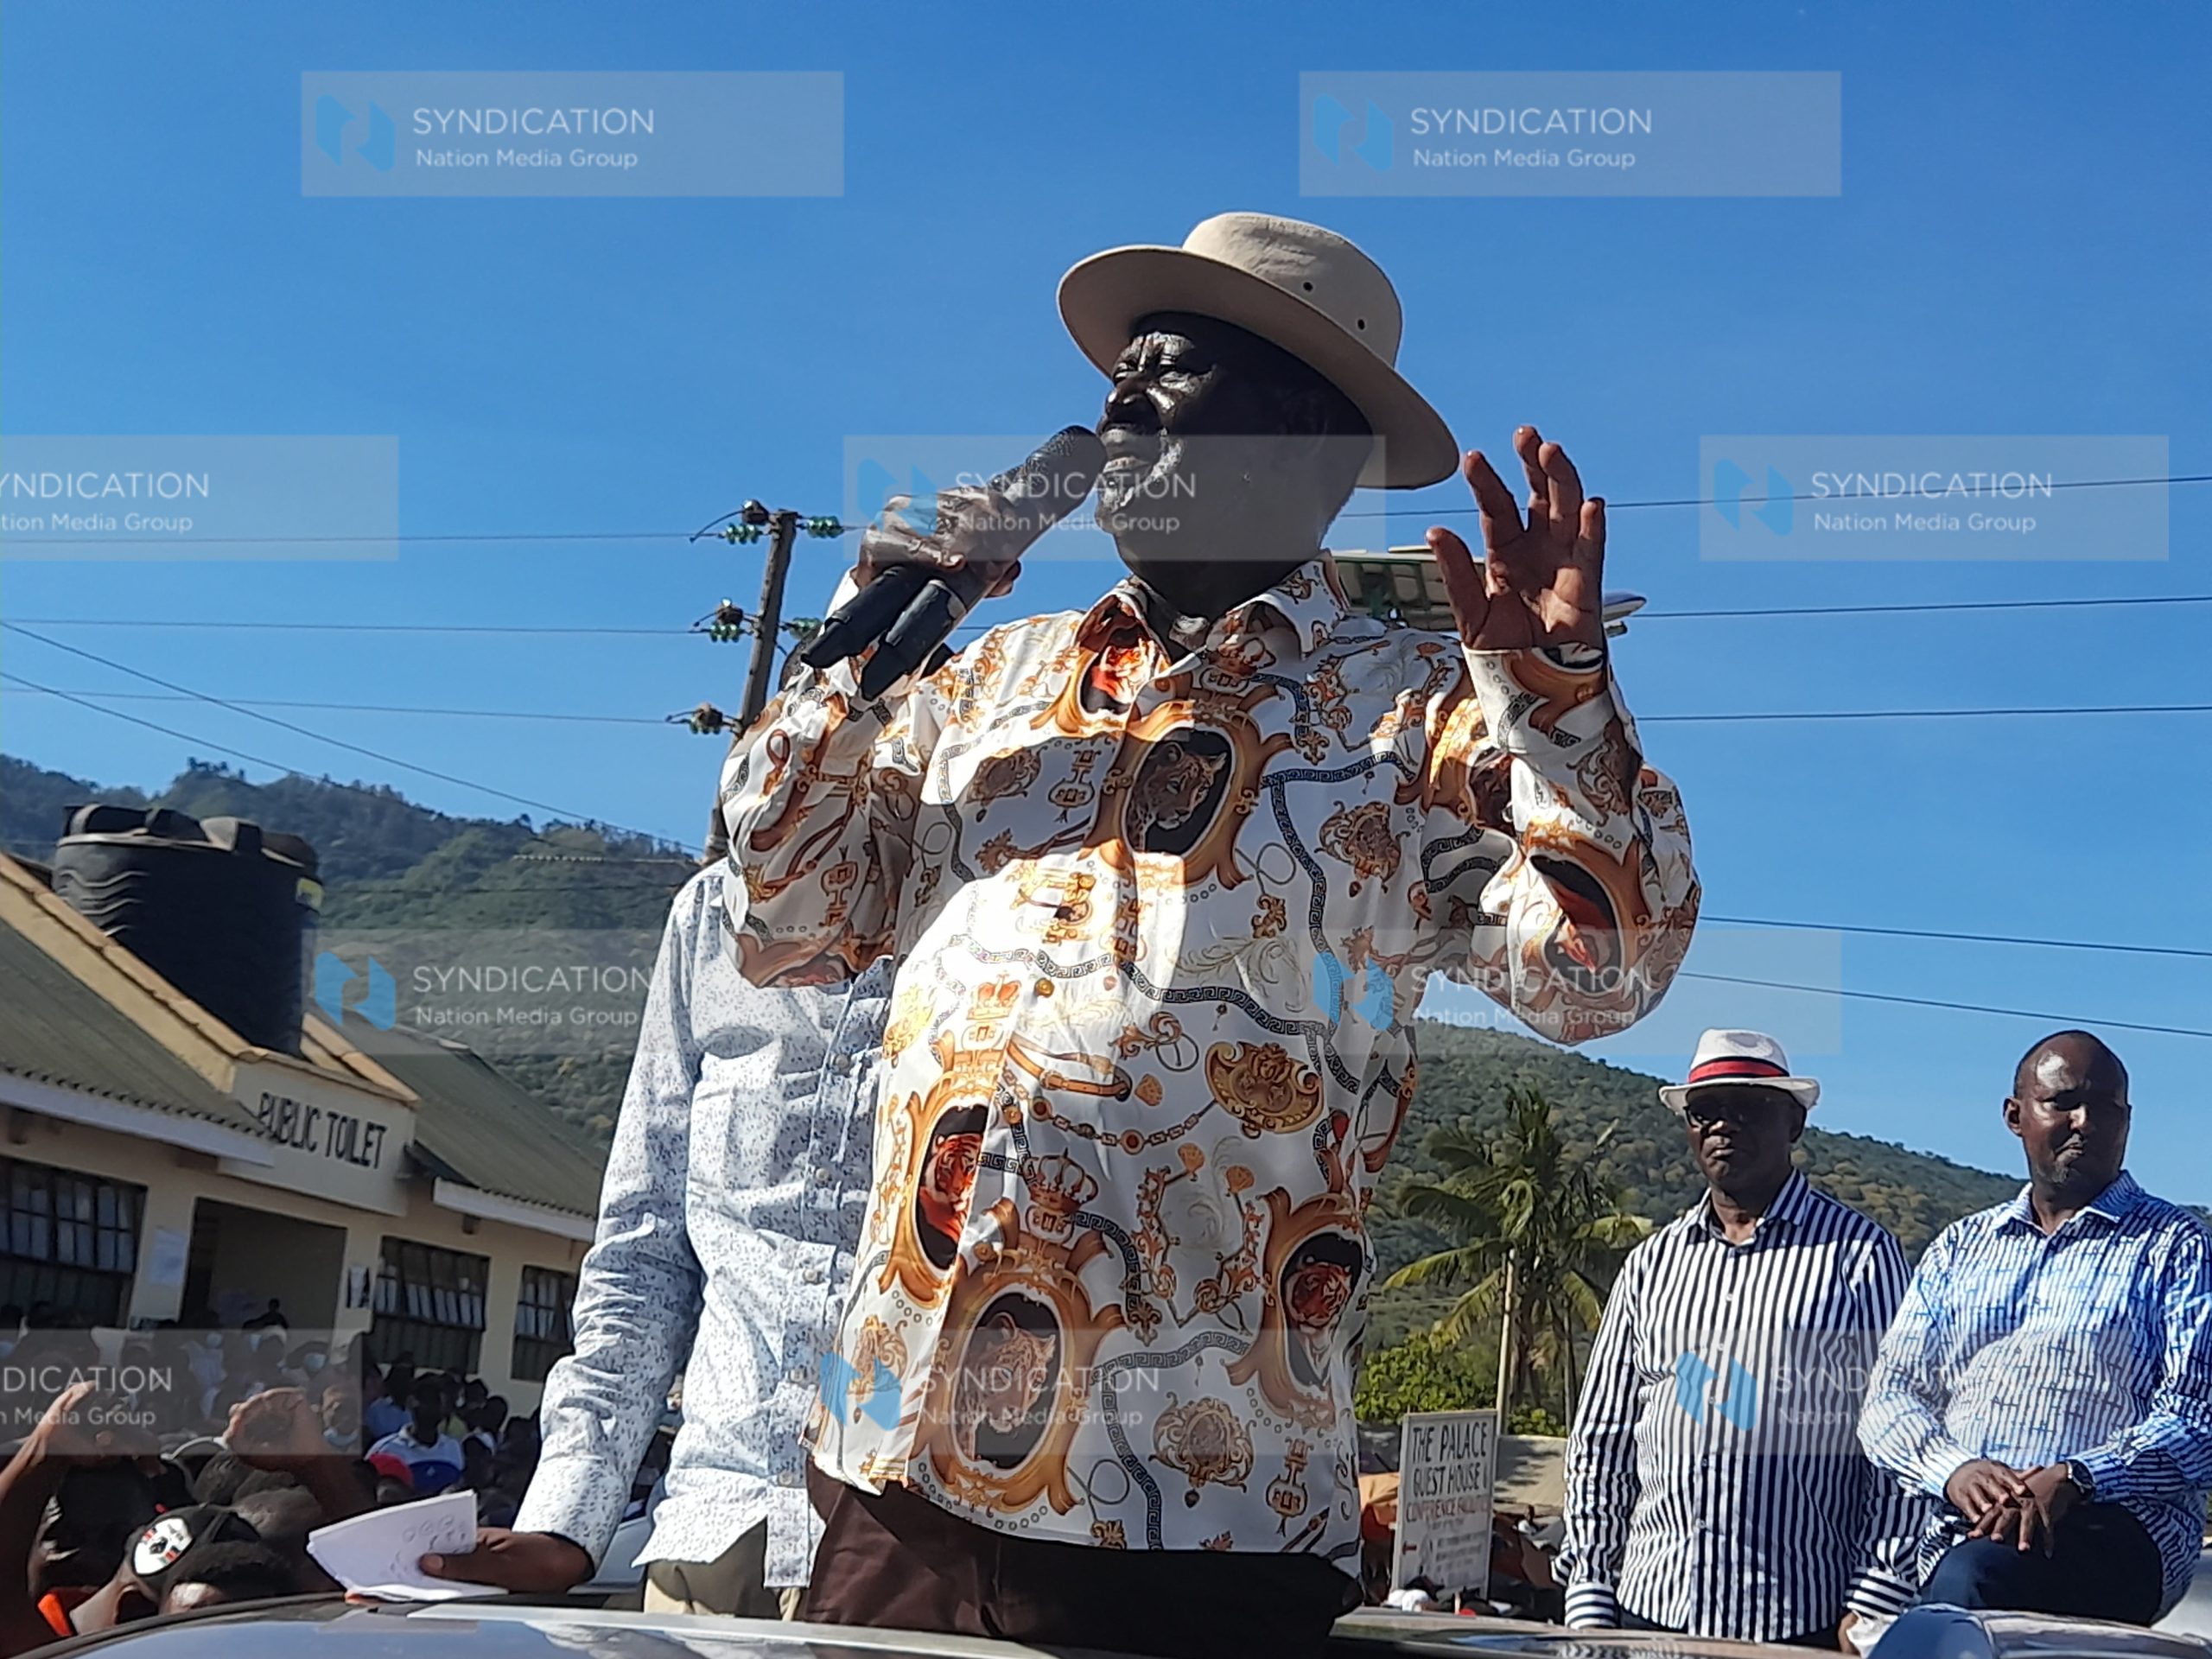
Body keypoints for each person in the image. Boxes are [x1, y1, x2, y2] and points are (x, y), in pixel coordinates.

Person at [713, 212, 1698, 1659]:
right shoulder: (990, 678)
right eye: (1116, 374)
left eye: (1167, 373)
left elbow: (1602, 980)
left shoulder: (1418, 711)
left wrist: (1558, 709)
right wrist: (874, 628)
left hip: (1197, 1508)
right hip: (899, 1478)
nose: (1115, 402)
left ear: (1302, 434)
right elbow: (785, 917)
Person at [422, 908, 893, 1617]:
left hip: (932, 1555)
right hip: (719, 1537)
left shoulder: (1030, 902)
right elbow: (644, 1258)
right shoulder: (716, 916)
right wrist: (566, 1518)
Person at [1560, 1030, 1922, 1647]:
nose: (1724, 1125)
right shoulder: (1652, 1265)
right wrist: (1591, 1590)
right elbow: (1602, 1439)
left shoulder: (1861, 1259)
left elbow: (1895, 1442)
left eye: (1749, 1107)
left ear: (1795, 1123)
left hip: (1797, 1619)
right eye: (1706, 1111)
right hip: (1651, 1613)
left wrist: (1874, 1598)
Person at [1858, 1030, 2212, 1626]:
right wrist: (1956, 1471)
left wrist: (2077, 1477)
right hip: (1962, 1530)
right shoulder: (1960, 1249)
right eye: (2064, 1102)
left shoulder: (2176, 1246)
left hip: (2115, 1529)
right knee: (1962, 1579)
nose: (2085, 1121)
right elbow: (1890, 1399)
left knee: (1974, 1586)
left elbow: (2198, 1418)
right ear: (2014, 1115)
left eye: (2107, 1108)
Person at [367, 1381, 464, 1497]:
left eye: (439, 1404)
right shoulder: (386, 1449)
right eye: (429, 1401)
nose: (434, 1409)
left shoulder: (453, 1447)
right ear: (412, 1404)